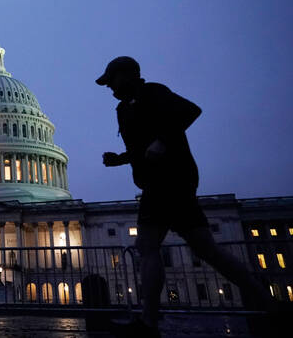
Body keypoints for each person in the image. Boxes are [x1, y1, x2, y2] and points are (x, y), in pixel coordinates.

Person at [96, 56, 272, 337]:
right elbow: (143, 145)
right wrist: (121, 158)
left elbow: (190, 110)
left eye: (111, 80)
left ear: (127, 75)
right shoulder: (124, 109)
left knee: (147, 246)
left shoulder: (153, 92)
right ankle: (270, 304)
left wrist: (163, 141)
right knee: (207, 250)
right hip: (159, 183)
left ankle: (148, 323)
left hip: (170, 180)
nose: (109, 88)